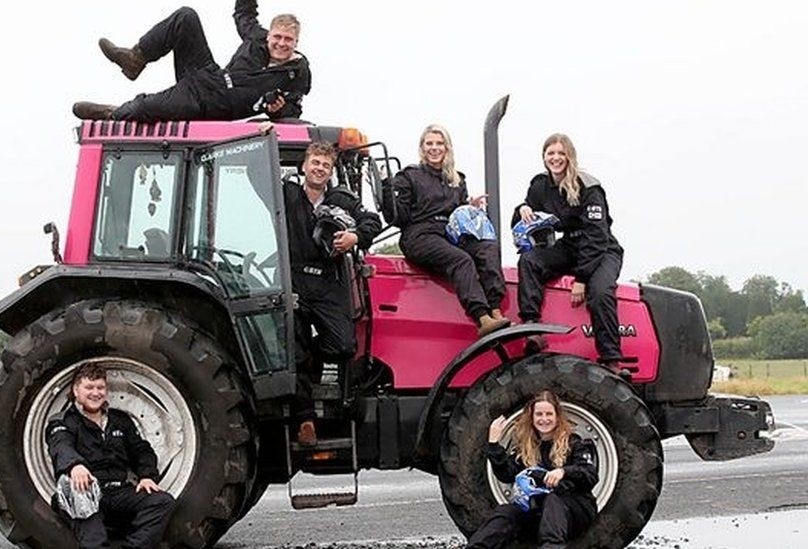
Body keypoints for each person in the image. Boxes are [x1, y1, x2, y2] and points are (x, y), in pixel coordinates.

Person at [280, 136, 382, 445]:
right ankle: (305, 418)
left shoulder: (342, 199)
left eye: (326, 165)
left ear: (331, 170)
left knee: (343, 345)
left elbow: (372, 222)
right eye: (315, 163)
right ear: (304, 165)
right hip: (293, 278)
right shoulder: (285, 193)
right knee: (291, 348)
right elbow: (251, 178)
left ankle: (310, 364)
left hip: (327, 279)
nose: (320, 168)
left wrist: (354, 237)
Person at [72, 0, 311, 122]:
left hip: (211, 103)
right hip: (210, 74)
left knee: (144, 107)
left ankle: (112, 115)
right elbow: (244, 13)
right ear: (269, 35)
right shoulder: (257, 38)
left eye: (288, 40)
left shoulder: (297, 73)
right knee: (186, 17)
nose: (281, 43)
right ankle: (136, 58)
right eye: (277, 37)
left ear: (296, 42)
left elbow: (294, 110)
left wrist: (277, 110)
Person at [513, 133, 626, 373]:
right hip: (570, 245)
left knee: (600, 292)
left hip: (601, 248)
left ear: (570, 156)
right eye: (550, 153)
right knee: (529, 261)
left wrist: (582, 279)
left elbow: (596, 235)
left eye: (561, 153)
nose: (555, 158)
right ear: (544, 157)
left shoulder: (589, 187)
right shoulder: (540, 185)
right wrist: (521, 209)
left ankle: (611, 358)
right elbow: (527, 220)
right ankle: (533, 328)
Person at [390, 124, 509, 337]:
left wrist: (468, 206)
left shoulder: (457, 179)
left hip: (449, 232)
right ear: (422, 148)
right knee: (461, 259)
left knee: (488, 247)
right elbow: (399, 217)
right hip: (420, 234)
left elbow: (458, 215)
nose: (434, 148)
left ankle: (495, 309)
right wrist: (387, 190)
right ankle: (481, 317)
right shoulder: (409, 176)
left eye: (439, 143)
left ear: (447, 148)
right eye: (429, 143)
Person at [46, 363, 175, 548]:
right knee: (82, 507)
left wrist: (147, 476)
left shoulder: (120, 420)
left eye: (100, 387)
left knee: (162, 501)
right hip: (85, 491)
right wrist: (75, 465)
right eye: (89, 387)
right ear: (76, 390)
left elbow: (141, 450)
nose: (96, 393)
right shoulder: (63, 421)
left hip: (118, 491)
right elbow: (60, 445)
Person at [467, 390, 598, 549]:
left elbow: (590, 475)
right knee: (506, 512)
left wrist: (563, 472)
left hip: (574, 510)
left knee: (553, 500)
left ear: (557, 417)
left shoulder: (575, 443)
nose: (544, 419)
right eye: (539, 414)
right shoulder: (527, 446)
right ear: (532, 417)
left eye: (549, 414)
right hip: (539, 513)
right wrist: (494, 444)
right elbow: (507, 474)